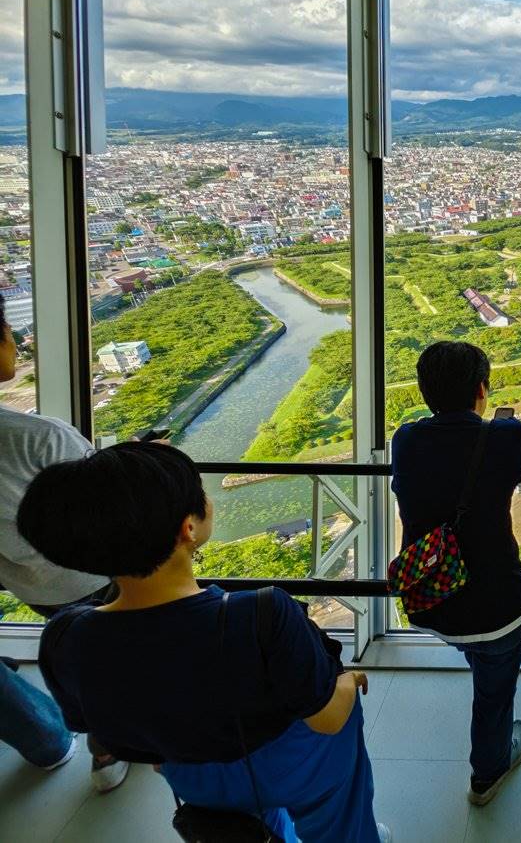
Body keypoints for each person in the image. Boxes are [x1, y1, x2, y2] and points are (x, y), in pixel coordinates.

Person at [19, 442, 388, 843]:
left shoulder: (66, 638)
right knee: (337, 803)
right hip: (290, 763)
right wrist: (347, 683)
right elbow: (327, 718)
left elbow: (104, 730)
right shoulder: (262, 615)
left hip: (191, 775)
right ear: (188, 528)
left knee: (254, 826)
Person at [390, 341, 521, 806]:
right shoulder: (509, 436)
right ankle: (487, 772)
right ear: (481, 389)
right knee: (494, 692)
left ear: (425, 391)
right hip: (498, 604)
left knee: (477, 651)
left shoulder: (405, 440)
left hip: (432, 598)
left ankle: (477, 657)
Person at [0, 297, 128, 790]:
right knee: (140, 647)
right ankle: (146, 736)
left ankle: (108, 749)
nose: (16, 340)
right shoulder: (36, 437)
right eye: (8, 328)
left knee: (86, 658)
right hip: (95, 572)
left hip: (32, 585)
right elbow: (106, 500)